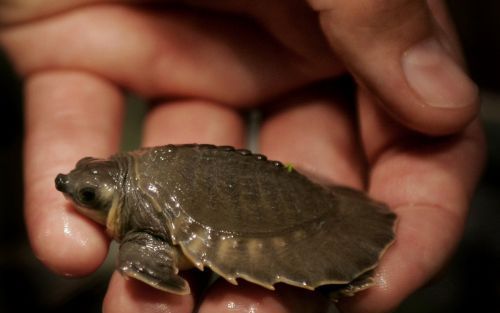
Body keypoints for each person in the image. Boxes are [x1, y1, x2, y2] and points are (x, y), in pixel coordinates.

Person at [0, 1, 485, 312]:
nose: (69, 188)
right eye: (84, 187)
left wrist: (143, 261)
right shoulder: (142, 174)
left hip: (297, 199)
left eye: (86, 192)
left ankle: (339, 273)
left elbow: (148, 253)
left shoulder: (140, 235)